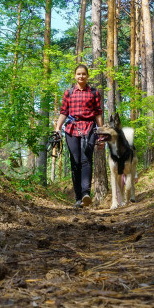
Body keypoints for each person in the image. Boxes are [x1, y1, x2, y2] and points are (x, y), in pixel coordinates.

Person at [54, 64, 104, 208]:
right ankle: (77, 198)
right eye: (78, 74)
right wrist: (58, 128)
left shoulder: (94, 93)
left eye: (83, 74)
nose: (81, 76)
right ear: (75, 76)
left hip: (89, 129)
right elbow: (63, 112)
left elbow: (98, 114)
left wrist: (100, 133)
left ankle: (85, 194)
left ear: (87, 76)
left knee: (86, 160)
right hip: (71, 129)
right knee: (75, 163)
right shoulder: (68, 93)